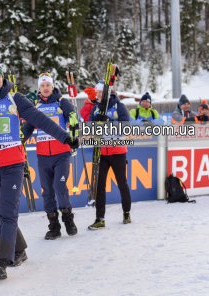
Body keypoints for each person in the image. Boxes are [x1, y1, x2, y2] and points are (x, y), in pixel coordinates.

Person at [0, 61, 77, 280]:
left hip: (13, 164)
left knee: (8, 212)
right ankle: (19, 250)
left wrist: (65, 137)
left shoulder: (15, 99)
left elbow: (41, 120)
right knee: (1, 213)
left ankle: (1, 262)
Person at [23, 73, 79, 240]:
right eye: (42, 86)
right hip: (43, 156)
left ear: (52, 87)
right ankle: (54, 226)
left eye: (48, 85)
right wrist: (20, 140)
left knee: (59, 187)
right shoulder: (35, 106)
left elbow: (72, 116)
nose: (45, 88)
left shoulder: (62, 102)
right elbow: (28, 128)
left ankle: (68, 220)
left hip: (61, 153)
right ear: (39, 89)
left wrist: (73, 120)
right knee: (47, 191)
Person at [88, 80, 132, 230]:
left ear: (108, 93)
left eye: (101, 92)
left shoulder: (119, 107)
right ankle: (100, 218)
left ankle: (126, 212)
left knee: (121, 183)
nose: (98, 95)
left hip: (117, 151)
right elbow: (89, 130)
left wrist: (108, 122)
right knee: (99, 186)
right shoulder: (95, 108)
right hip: (101, 152)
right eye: (97, 93)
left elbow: (126, 128)